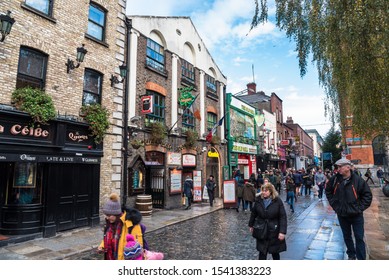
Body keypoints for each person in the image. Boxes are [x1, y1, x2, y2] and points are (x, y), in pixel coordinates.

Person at [326, 158, 372, 260]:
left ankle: (361, 258)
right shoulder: (335, 180)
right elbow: (328, 191)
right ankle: (351, 255)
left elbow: (367, 195)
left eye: (340, 167)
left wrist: (359, 208)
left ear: (348, 167)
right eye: (337, 167)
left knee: (359, 237)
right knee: (347, 236)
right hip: (342, 214)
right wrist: (335, 206)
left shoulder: (358, 180)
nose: (338, 169)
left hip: (356, 215)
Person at [98, 193, 147, 260]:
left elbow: (138, 248)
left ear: (116, 214)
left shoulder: (131, 224)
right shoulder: (109, 224)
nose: (107, 218)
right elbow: (108, 238)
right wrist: (102, 246)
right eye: (106, 215)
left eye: (109, 215)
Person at [248, 183, 287, 260]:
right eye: (263, 190)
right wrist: (251, 225)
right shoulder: (259, 200)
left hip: (274, 230)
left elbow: (283, 217)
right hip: (262, 229)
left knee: (275, 252)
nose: (264, 192)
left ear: (271, 191)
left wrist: (282, 232)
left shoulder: (277, 201)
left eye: (266, 191)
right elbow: (253, 213)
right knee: (262, 252)